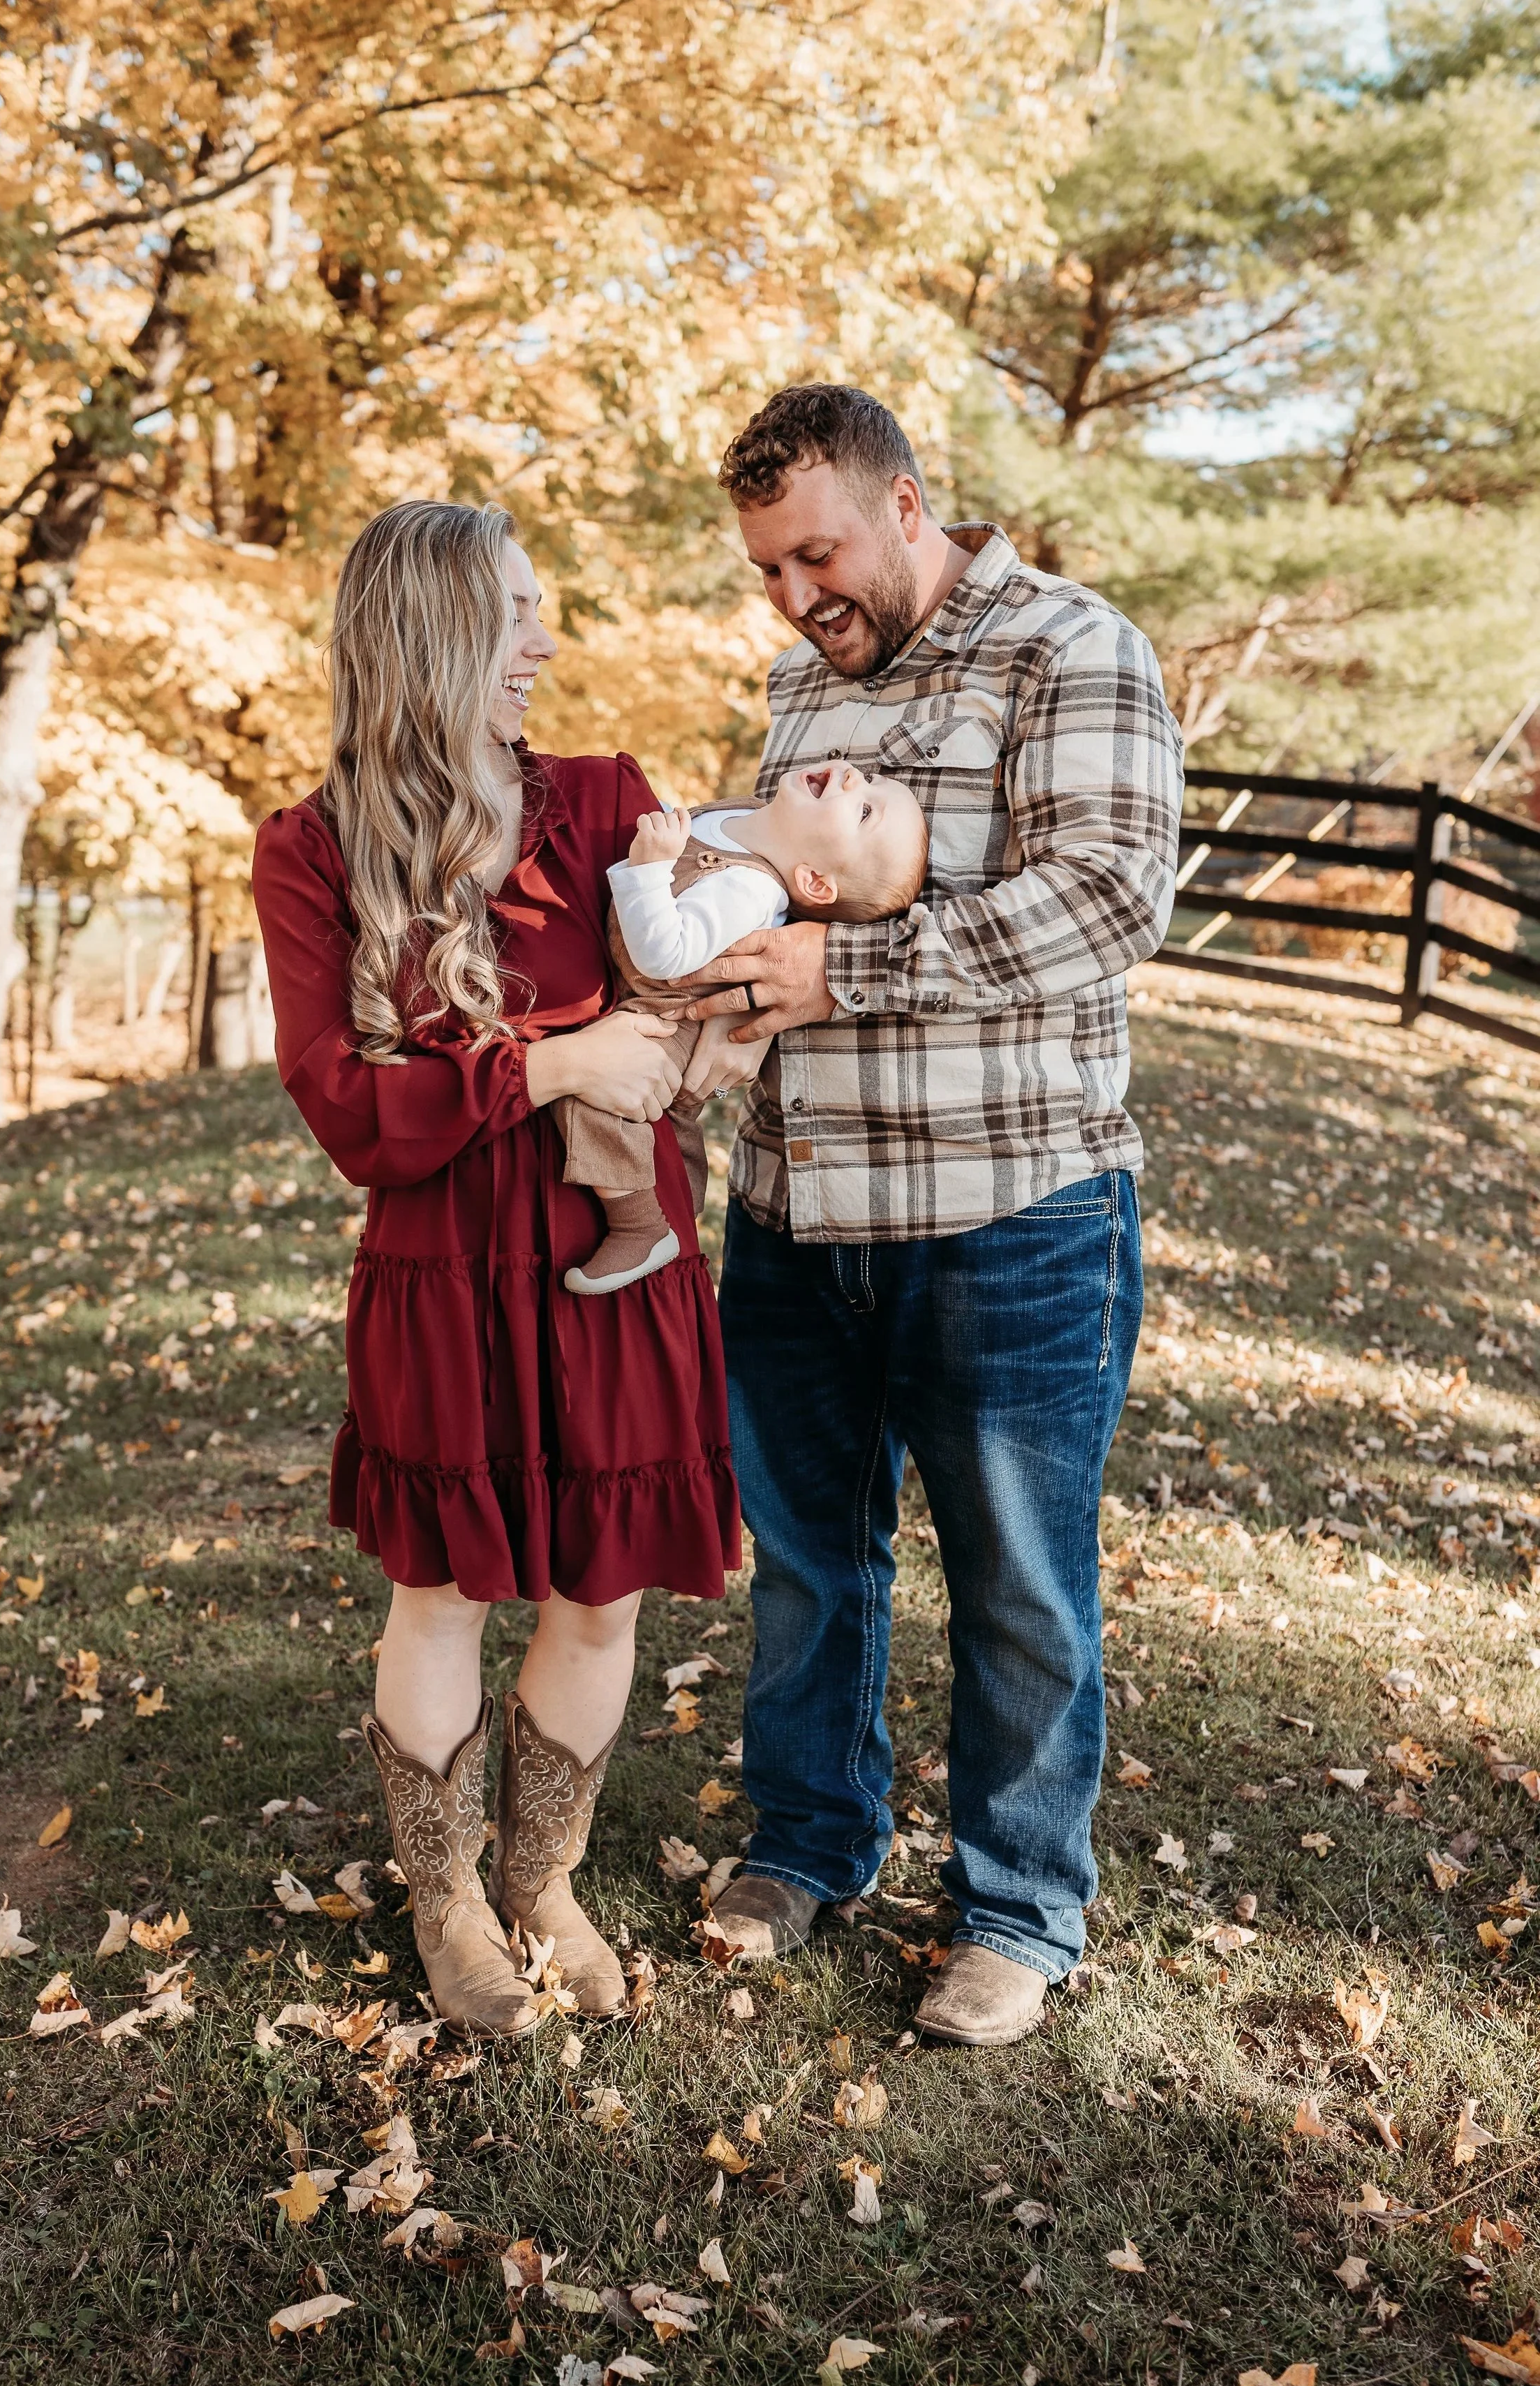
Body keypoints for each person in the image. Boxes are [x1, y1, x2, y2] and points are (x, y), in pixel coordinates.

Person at [683, 384, 1183, 2045]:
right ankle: (807, 1841)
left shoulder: (1068, 646)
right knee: (811, 1565)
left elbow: (1107, 900)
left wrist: (848, 966)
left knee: (1020, 1581)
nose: (795, 596)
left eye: (816, 552)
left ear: (909, 503)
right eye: (768, 568)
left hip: (1011, 1218)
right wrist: (735, 977)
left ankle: (1017, 1907)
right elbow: (785, 906)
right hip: (794, 1210)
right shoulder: (793, 681)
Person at [251, 499, 741, 2038]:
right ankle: (449, 1901)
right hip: (440, 1274)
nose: (545, 639)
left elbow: (702, 978)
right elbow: (349, 1110)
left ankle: (543, 1880)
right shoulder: (312, 851)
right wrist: (559, 1062)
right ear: (434, 632)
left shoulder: (605, 804)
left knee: (599, 1599)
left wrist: (684, 1046)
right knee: (447, 1593)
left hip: (618, 1267)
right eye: (516, 612)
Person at [557, 764, 928, 1294]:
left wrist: (648, 869)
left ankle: (639, 1225)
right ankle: (674, 1225)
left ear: (814, 883)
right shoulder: (743, 815)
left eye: (865, 809)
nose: (852, 778)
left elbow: (667, 954)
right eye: (868, 778)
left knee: (599, 1095)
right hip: (633, 987)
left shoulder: (750, 888)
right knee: (668, 1135)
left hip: (669, 1014)